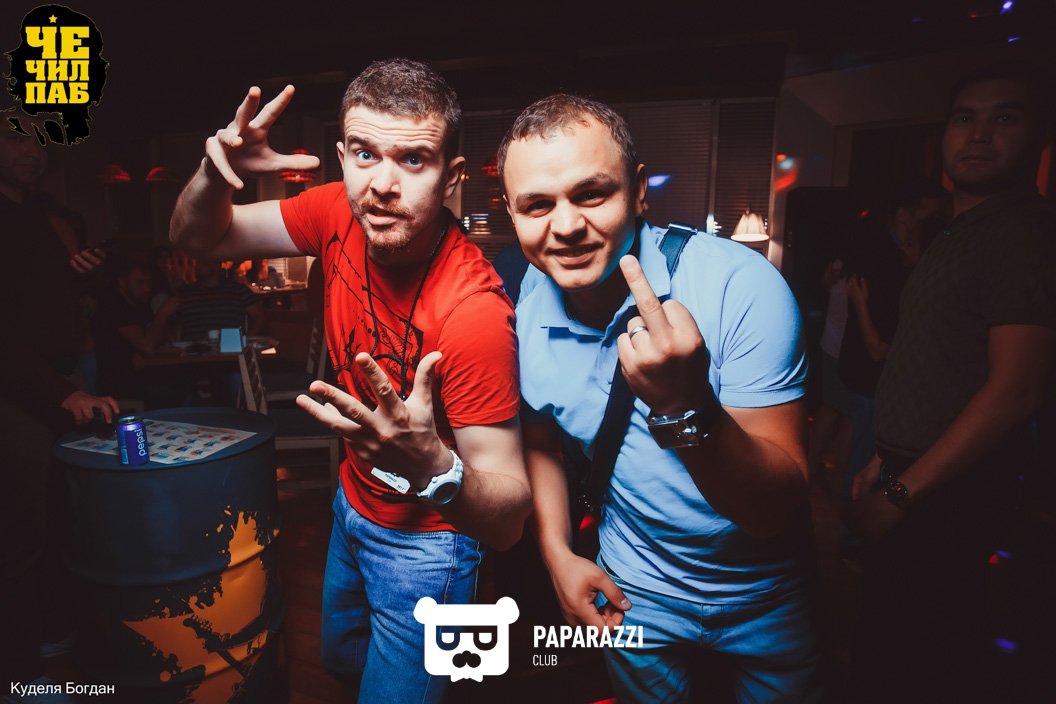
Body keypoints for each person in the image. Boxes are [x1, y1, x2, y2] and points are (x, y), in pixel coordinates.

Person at [169, 59, 530, 703]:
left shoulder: (474, 312)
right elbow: (197, 238)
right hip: (352, 505)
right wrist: (214, 173)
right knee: (342, 662)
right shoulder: (335, 210)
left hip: (431, 546)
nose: (382, 186)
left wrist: (433, 467)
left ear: (451, 177)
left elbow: (507, 522)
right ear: (341, 159)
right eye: (365, 154)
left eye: (413, 160)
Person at [499, 94, 821, 703]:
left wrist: (680, 402)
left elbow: (772, 510)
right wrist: (557, 555)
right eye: (537, 205)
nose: (565, 226)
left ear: (639, 191)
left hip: (763, 594)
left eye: (591, 193)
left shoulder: (740, 287)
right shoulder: (526, 303)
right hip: (633, 591)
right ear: (513, 214)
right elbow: (539, 437)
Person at [851, 64, 1056, 703]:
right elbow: (938, 360)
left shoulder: (1023, 231)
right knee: (889, 644)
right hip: (915, 469)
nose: (980, 134)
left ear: (1039, 138)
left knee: (926, 660)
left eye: (1006, 117)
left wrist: (901, 493)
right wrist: (885, 456)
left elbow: (1016, 390)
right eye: (965, 117)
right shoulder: (961, 232)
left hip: (955, 493)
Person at [0, 115, 119, 688]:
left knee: (57, 522)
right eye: (15, 138)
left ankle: (51, 634)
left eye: (39, 141)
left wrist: (83, 277)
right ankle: (19, 677)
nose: (33, 151)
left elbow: (43, 301)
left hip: (52, 382)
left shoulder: (37, 215)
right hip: (18, 393)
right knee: (19, 538)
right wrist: (62, 390)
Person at [176, 258, 265, 340]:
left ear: (217, 264)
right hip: (193, 349)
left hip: (230, 348)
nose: (199, 265)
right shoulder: (184, 292)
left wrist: (245, 340)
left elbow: (260, 318)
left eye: (204, 261)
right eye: (198, 262)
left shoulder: (239, 290)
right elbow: (168, 316)